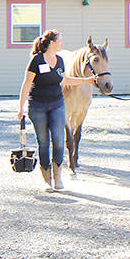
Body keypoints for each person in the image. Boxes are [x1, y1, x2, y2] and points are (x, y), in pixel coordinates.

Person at [17, 30, 96, 191]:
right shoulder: (36, 60)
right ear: (52, 43)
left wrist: (86, 80)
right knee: (44, 142)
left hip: (57, 105)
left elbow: (64, 79)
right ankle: (47, 180)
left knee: (59, 141)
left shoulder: (59, 61)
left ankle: (58, 177)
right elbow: (26, 84)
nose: (62, 43)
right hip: (38, 106)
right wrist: (21, 107)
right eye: (60, 41)